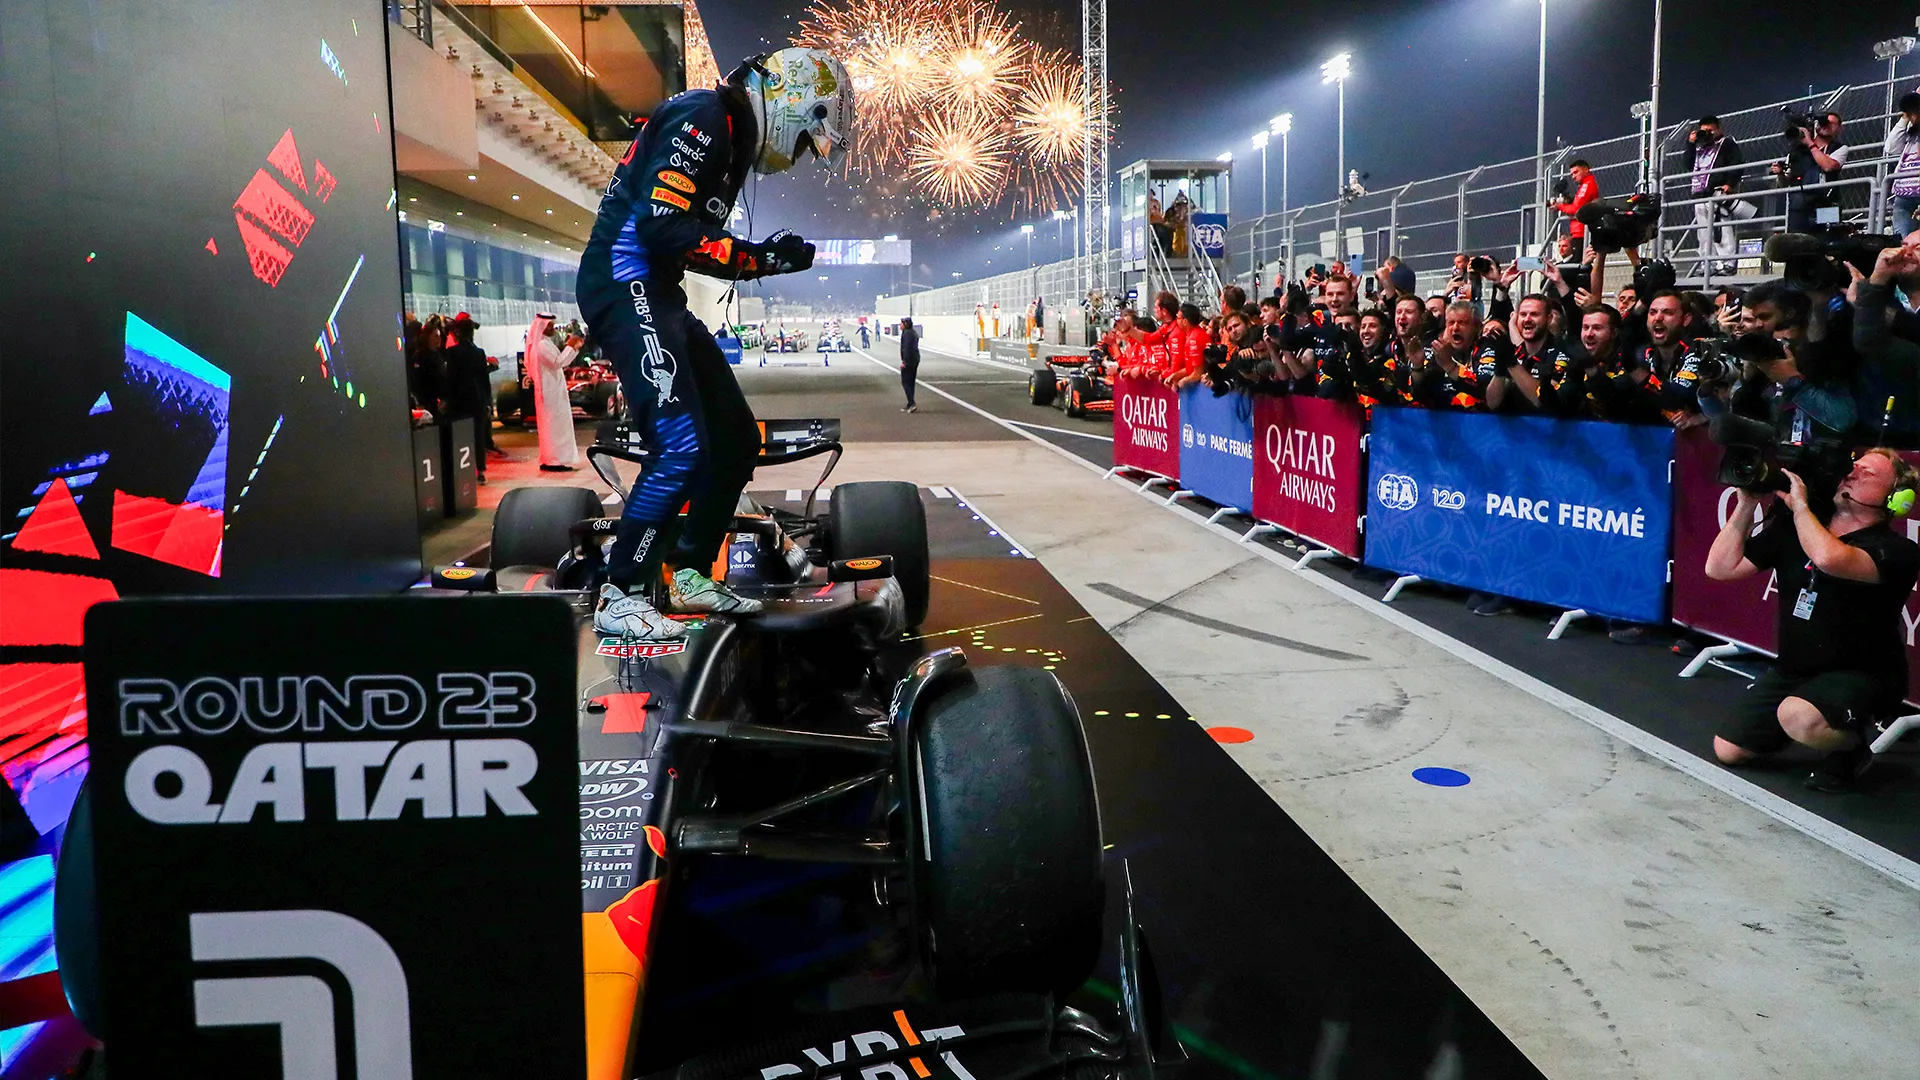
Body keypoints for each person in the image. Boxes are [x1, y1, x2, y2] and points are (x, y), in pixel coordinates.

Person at [578, 46, 851, 640]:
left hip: (657, 290)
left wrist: (764, 261)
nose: (799, 153)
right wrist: (758, 257)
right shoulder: (704, 118)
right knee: (680, 445)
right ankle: (620, 594)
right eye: (805, 138)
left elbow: (687, 240)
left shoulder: (725, 137)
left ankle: (691, 573)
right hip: (625, 283)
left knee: (731, 440)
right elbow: (660, 226)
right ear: (792, 102)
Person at [1705, 449, 1920, 791]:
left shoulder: (1896, 551)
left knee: (1799, 716)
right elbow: (1719, 568)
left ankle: (1851, 748)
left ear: (1896, 498)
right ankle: (1815, 725)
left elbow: (1828, 557)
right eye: (1854, 467)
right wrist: (1747, 503)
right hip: (1795, 668)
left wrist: (1802, 507)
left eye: (1869, 474)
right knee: (1728, 750)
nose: (1853, 474)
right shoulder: (1796, 529)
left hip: (1863, 673)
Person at [1686, 116, 1749, 276]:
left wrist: (1731, 182)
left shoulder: (1726, 143)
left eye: (1710, 130)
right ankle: (1708, 263)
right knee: (1703, 233)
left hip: (1718, 191)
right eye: (1704, 130)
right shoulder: (1699, 147)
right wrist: (1690, 143)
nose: (1707, 133)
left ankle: (1727, 263)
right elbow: (1687, 164)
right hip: (1700, 194)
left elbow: (1737, 163)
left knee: (1722, 229)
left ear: (1719, 129)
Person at [1771, 110, 1850, 234]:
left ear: (1840, 128)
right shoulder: (1796, 152)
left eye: (1831, 123)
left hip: (1827, 203)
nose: (1826, 125)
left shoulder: (1840, 148)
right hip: (1799, 205)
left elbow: (1828, 166)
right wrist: (1780, 173)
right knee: (1797, 242)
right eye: (1824, 122)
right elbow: (1784, 184)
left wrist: (1810, 143)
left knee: (1827, 241)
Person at [524, 313, 581, 472]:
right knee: (552, 427)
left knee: (556, 426)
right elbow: (557, 363)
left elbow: (561, 362)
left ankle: (553, 459)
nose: (553, 328)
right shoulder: (542, 345)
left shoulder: (546, 343)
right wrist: (570, 346)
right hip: (549, 393)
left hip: (554, 390)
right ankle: (553, 461)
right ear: (542, 327)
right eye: (549, 325)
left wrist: (573, 347)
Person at [442, 313, 495, 482]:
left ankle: (461, 469)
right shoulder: (479, 353)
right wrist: (488, 402)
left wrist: (446, 400)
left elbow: (451, 378)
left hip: (459, 401)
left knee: (459, 436)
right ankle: (480, 470)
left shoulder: (452, 353)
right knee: (478, 436)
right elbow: (484, 379)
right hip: (477, 400)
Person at [1884, 92, 1920, 240]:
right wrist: (1905, 118)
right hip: (1904, 193)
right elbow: (1891, 147)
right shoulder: (1911, 132)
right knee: (1903, 242)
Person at [1549, 160, 1600, 260]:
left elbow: (1576, 209)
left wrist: (1559, 206)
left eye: (1576, 172)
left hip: (1582, 232)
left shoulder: (1587, 185)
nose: (1573, 176)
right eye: (1572, 174)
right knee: (1576, 263)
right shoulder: (1585, 185)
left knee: (1578, 264)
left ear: (1586, 170)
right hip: (1580, 231)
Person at [899, 316, 921, 412]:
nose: (900, 325)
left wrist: (905, 362)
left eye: (901, 324)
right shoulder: (913, 333)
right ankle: (910, 403)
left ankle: (911, 403)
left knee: (906, 382)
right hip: (915, 359)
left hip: (910, 361)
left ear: (905, 324)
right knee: (911, 382)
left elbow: (907, 349)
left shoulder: (907, 334)